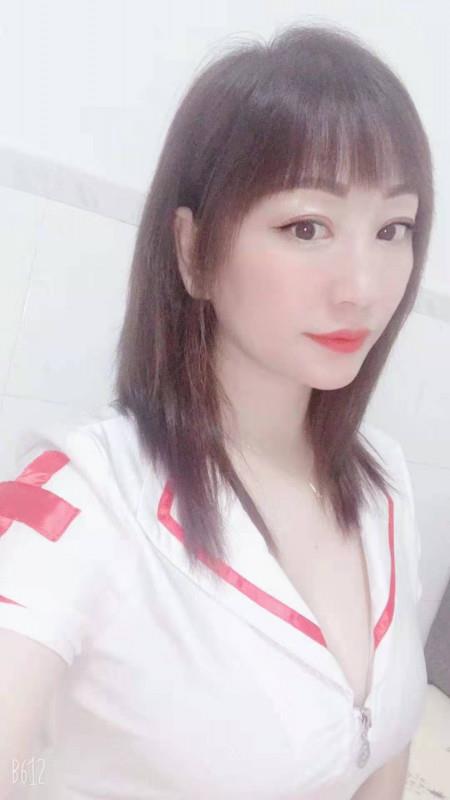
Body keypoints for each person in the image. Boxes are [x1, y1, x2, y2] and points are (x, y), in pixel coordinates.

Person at [0, 21, 434, 800]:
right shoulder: (88, 495)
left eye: (393, 228)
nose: (363, 287)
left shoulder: (383, 483)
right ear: (194, 250)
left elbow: (385, 748)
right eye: (307, 227)